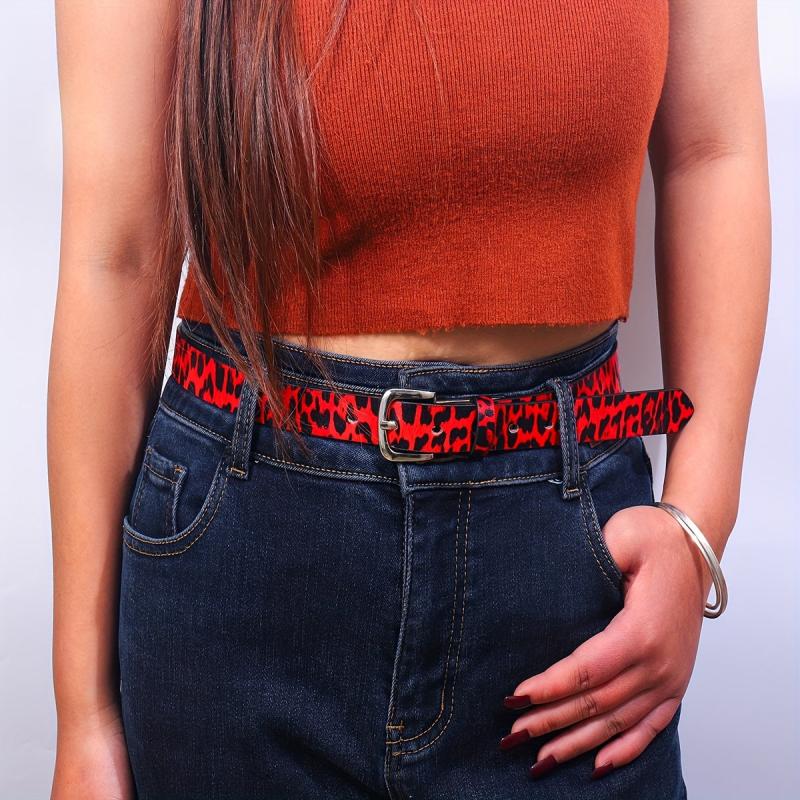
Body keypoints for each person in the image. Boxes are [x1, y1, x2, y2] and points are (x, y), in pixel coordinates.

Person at [48, 1, 770, 798]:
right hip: (246, 551)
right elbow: (116, 258)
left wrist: (697, 528)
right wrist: (83, 719)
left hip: (566, 569)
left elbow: (713, 151)